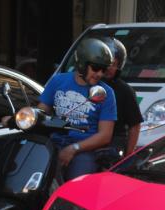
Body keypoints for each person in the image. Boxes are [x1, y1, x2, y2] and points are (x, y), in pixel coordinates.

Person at [38, 38, 117, 180]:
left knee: (76, 184)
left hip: (84, 149)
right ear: (81, 64)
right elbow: (40, 112)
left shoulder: (106, 93)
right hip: (53, 143)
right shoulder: (58, 81)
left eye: (103, 69)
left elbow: (105, 135)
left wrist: (74, 148)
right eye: (95, 68)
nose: (99, 74)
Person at [101, 37, 143, 156]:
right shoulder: (86, 84)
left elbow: (135, 126)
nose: (109, 68)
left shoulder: (125, 90)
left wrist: (128, 155)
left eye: (113, 64)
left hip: (113, 143)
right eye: (106, 63)